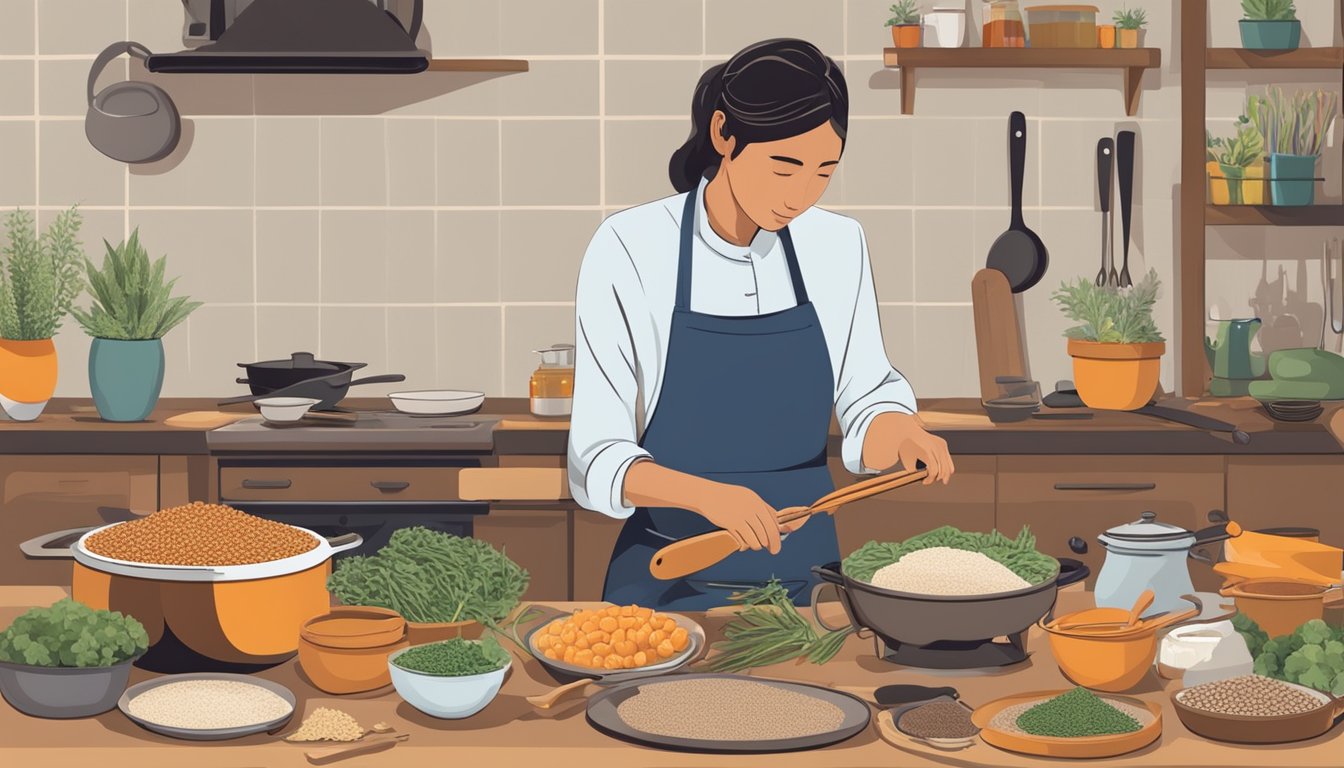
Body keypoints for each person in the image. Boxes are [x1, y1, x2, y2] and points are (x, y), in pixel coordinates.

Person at [567, 38, 953, 611]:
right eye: (784, 166)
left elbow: (865, 398)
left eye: (824, 170)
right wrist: (709, 498)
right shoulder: (629, 247)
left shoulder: (837, 244)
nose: (801, 195)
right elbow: (596, 456)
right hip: (670, 579)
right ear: (724, 134)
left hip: (810, 585)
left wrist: (903, 434)